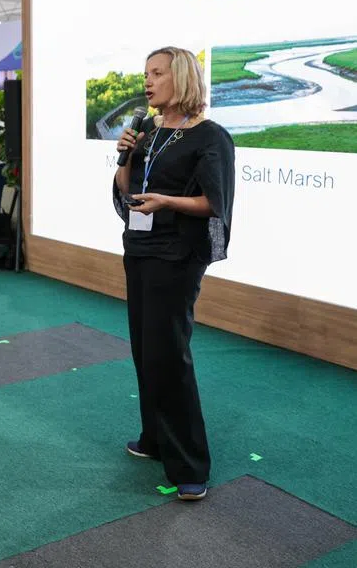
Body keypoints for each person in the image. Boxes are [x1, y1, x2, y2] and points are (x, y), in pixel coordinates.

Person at [113, 46, 235, 502]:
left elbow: (213, 203)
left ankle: (190, 464)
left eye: (157, 73)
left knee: (169, 354)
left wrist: (166, 202)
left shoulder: (210, 137)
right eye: (146, 74)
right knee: (145, 350)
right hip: (140, 248)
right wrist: (126, 156)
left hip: (178, 256)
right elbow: (126, 191)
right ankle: (154, 440)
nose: (148, 82)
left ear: (181, 78)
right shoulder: (145, 132)